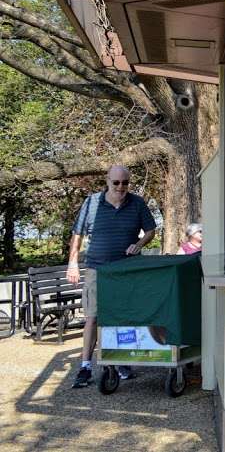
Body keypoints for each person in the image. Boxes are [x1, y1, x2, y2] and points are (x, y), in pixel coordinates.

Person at [67, 165, 158, 388]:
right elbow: (77, 235)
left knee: (124, 316)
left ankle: (121, 360)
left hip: (126, 271)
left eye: (125, 183)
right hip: (97, 269)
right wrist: (72, 263)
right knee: (93, 317)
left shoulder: (137, 203)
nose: (121, 187)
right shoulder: (92, 203)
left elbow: (150, 230)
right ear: (107, 181)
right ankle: (86, 367)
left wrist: (138, 245)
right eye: (116, 182)